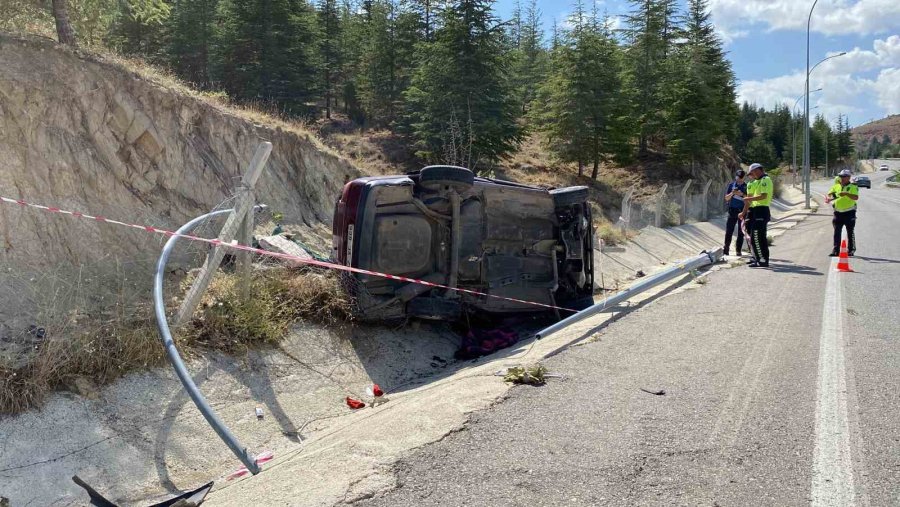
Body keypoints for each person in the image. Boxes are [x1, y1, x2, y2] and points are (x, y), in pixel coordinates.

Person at [739, 163, 773, 267]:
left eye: (752, 172)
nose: (751, 175)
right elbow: (749, 200)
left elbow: (763, 196)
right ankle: (757, 257)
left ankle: (762, 259)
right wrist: (744, 212)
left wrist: (749, 199)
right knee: (754, 236)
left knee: (757, 236)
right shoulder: (755, 182)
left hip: (762, 210)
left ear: (758, 170)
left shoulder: (765, 180)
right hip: (755, 210)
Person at [827, 168, 859, 256]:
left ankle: (851, 250)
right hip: (838, 213)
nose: (842, 178)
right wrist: (830, 198)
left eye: (844, 176)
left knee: (850, 232)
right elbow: (830, 194)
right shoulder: (836, 186)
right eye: (841, 176)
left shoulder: (853, 186)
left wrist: (846, 194)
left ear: (849, 177)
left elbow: (856, 197)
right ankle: (836, 250)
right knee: (837, 232)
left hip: (849, 212)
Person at [723, 170, 747, 256]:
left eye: (741, 177)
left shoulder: (747, 186)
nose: (739, 179)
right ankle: (726, 249)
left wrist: (741, 194)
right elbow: (726, 198)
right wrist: (732, 193)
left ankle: (738, 250)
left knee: (741, 231)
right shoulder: (731, 185)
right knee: (729, 230)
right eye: (737, 177)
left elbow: (748, 199)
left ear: (744, 177)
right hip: (732, 210)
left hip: (742, 210)